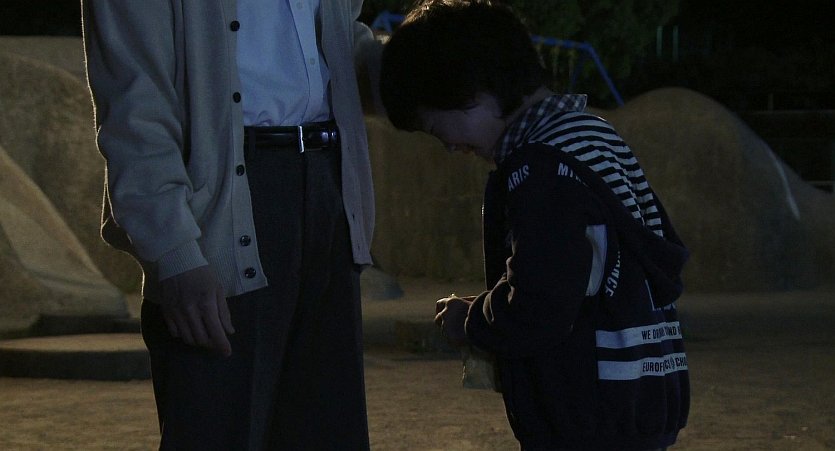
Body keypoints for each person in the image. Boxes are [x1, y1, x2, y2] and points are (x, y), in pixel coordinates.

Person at [380, 1, 690, 449]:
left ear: (470, 89)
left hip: (585, 413)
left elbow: (539, 306)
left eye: (434, 127)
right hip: (638, 394)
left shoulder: (541, 171)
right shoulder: (595, 137)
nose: (447, 146)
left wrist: (471, 321)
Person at [82, 1, 378, 449]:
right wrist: (174, 251)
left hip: (328, 185)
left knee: (327, 431)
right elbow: (134, 103)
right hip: (222, 206)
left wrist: (421, 70)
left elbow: (333, 38)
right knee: (217, 429)